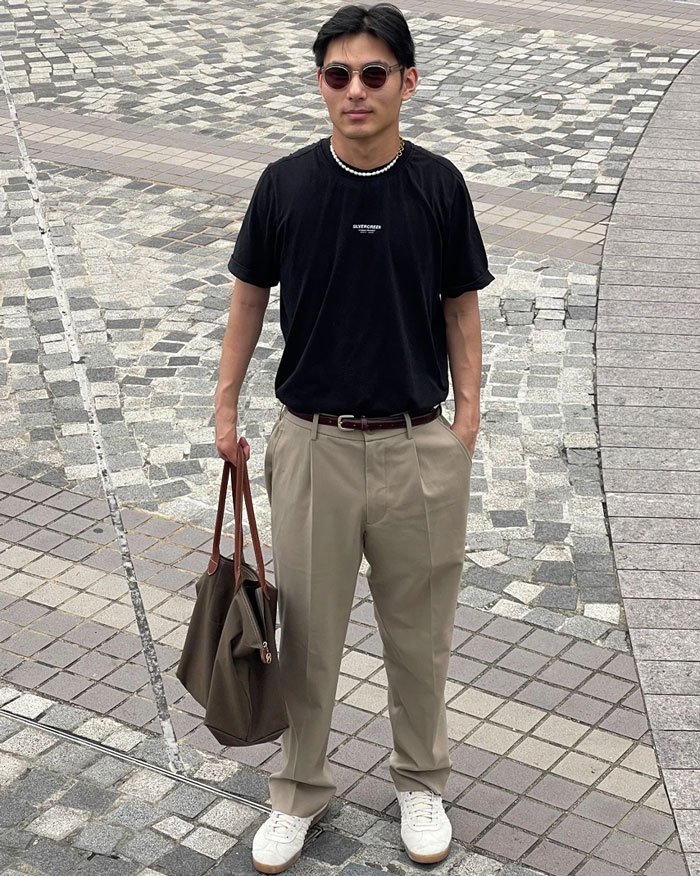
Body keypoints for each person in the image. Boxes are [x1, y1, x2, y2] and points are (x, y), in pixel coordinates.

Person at [215, 3, 494, 872]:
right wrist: (226, 410)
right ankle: (298, 794)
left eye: (374, 74)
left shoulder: (439, 185)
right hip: (313, 444)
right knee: (307, 635)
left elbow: (461, 307)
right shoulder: (286, 184)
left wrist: (468, 422)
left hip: (417, 445)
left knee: (420, 632)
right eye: (338, 75)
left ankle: (420, 781)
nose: (355, 91)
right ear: (322, 85)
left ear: (407, 83)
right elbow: (249, 299)